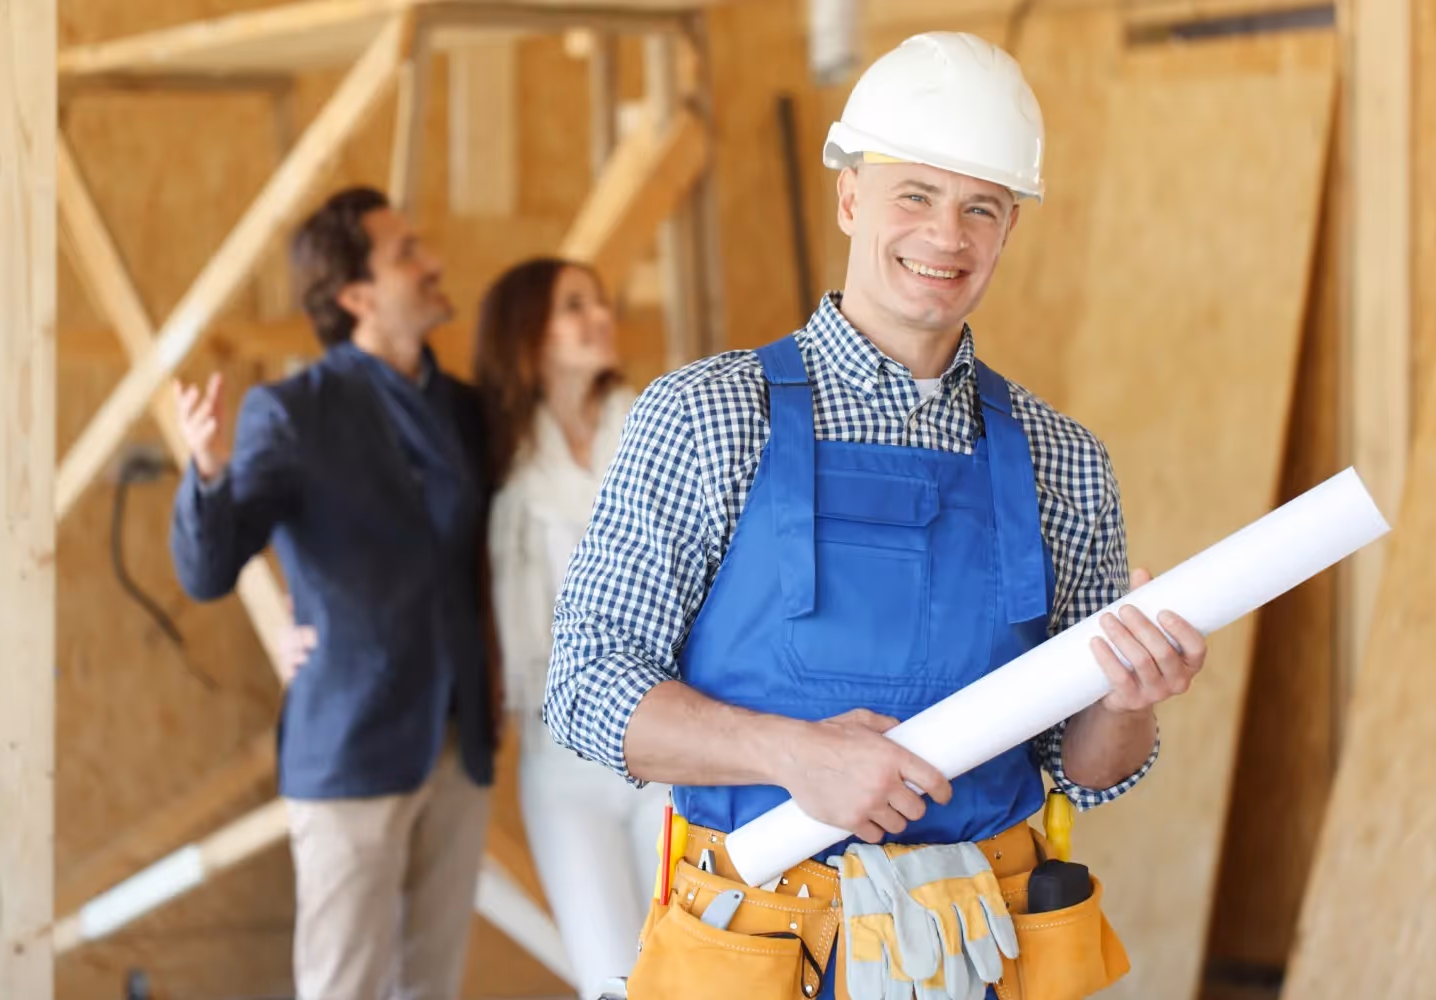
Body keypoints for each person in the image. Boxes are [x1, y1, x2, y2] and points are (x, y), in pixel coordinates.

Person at [545, 32, 1209, 1000]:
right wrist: (790, 753)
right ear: (851, 197)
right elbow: (585, 685)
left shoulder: (1065, 460)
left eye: (980, 207)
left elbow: (1088, 770)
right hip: (758, 943)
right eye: (916, 195)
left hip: (978, 950)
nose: (947, 236)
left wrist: (1128, 699)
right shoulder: (704, 416)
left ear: (1008, 229)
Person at [169, 186, 498, 1000]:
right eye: (406, 255)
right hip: (352, 741)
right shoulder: (291, 413)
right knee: (342, 987)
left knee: (432, 986)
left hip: (463, 739)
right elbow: (211, 571)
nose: (432, 264)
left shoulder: (465, 408)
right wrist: (207, 473)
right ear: (355, 296)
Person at [474, 258, 672, 1000]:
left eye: (601, 301)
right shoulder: (501, 460)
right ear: (530, 336)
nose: (599, 317)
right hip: (561, 759)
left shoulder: (655, 427)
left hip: (667, 735)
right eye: (574, 306)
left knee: (694, 962)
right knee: (610, 978)